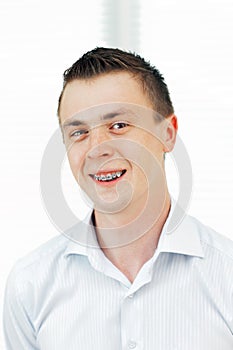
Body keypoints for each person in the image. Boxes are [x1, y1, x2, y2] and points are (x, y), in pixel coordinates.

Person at [3, 47, 233, 350]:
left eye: (119, 125)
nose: (97, 148)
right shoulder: (29, 285)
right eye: (79, 132)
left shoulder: (226, 275)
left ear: (168, 133)